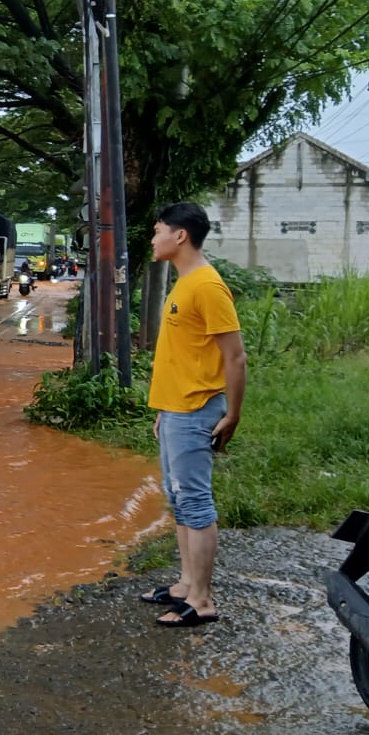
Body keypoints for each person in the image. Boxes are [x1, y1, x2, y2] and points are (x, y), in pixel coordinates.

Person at [140, 202, 246, 628]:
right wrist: (165, 409)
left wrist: (233, 414)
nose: (152, 238)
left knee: (196, 502)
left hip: (197, 409)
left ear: (180, 235)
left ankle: (201, 600)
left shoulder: (206, 286)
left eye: (157, 229)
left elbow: (234, 356)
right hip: (176, 410)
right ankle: (185, 583)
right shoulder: (184, 283)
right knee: (179, 498)